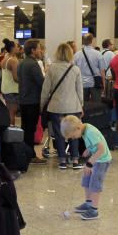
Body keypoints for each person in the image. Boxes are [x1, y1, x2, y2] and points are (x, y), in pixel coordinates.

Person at [41, 42, 84, 170]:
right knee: (74, 132)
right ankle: (75, 160)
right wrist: (81, 105)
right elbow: (79, 90)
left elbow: (45, 90)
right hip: (73, 107)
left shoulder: (51, 69)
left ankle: (62, 161)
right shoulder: (75, 69)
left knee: (59, 133)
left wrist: (42, 105)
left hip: (56, 107)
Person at [62, 114, 111, 221]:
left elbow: (101, 149)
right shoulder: (84, 128)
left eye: (73, 136)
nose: (74, 138)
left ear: (78, 128)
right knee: (87, 179)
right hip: (96, 158)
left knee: (95, 184)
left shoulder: (90, 132)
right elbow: (96, 142)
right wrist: (88, 149)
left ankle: (94, 210)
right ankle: (88, 203)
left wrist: (89, 163)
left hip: (102, 160)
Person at [18, 39, 46, 163]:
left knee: (26, 128)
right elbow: (42, 82)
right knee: (30, 129)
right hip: (32, 100)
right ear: (33, 50)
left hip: (24, 100)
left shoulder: (22, 63)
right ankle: (31, 155)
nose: (41, 51)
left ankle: (25, 153)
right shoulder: (34, 64)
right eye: (39, 48)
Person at [74, 33, 103, 101]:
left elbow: (74, 70)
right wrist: (104, 84)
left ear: (83, 41)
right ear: (92, 40)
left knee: (83, 105)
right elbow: (102, 71)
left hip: (81, 84)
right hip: (95, 83)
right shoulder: (98, 54)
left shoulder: (77, 55)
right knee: (97, 106)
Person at [1, 44, 21, 123]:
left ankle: (9, 131)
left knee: (9, 111)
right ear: (12, 48)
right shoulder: (13, 60)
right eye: (16, 46)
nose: (18, 48)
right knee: (11, 113)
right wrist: (25, 81)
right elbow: (16, 78)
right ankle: (12, 132)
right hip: (13, 90)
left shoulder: (5, 59)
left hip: (5, 89)